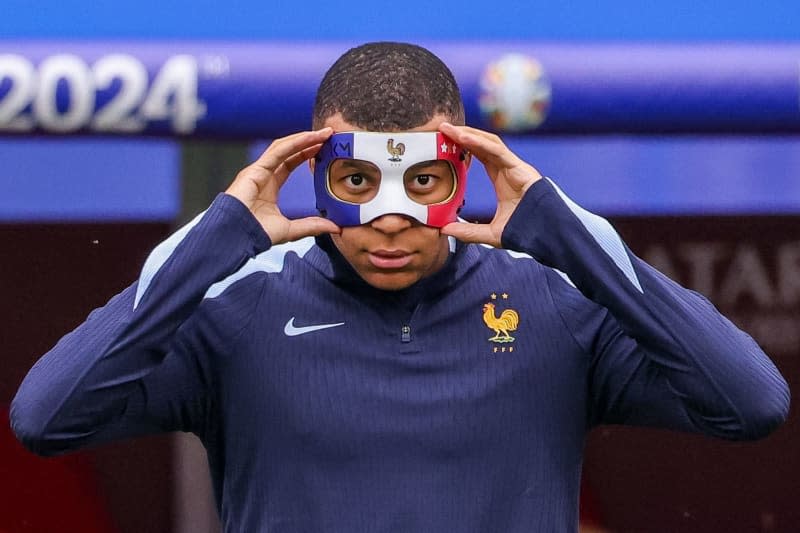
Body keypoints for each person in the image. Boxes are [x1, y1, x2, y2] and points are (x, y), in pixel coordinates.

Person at [10, 42, 790, 532]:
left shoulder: (551, 303)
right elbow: (47, 415)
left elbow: (751, 401)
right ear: (315, 175)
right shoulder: (240, 310)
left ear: (466, 173)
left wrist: (561, 227)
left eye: (422, 181)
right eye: (358, 180)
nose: (389, 217)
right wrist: (222, 233)